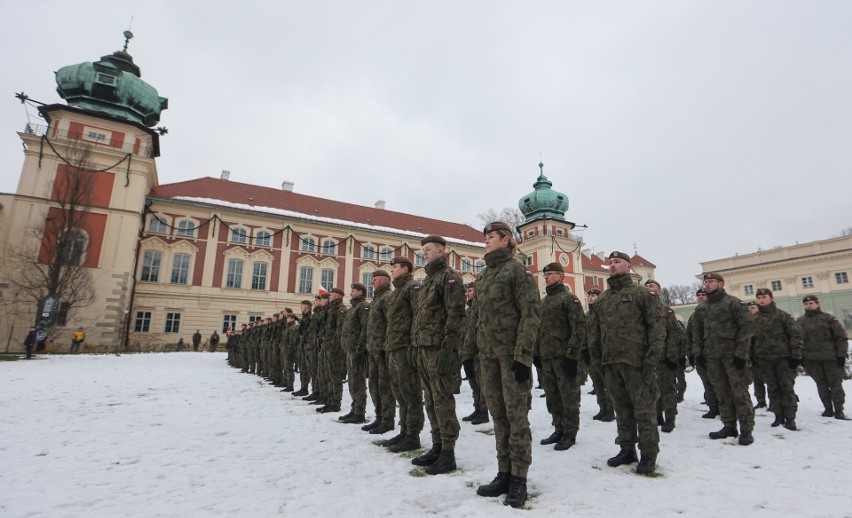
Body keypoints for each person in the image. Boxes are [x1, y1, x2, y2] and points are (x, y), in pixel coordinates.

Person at [467, 221, 541, 507]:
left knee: (516, 417)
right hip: (488, 357)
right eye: (485, 237)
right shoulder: (484, 277)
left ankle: (519, 479)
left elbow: (531, 313)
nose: (485, 241)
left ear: (505, 239)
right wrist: (468, 353)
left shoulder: (517, 272)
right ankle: (504, 472)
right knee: (498, 416)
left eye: (490, 237)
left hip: (512, 358)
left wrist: (523, 355)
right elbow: (476, 318)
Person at [588, 251, 665, 475]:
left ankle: (649, 454)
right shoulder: (603, 298)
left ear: (628, 266)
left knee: (644, 410)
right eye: (610, 262)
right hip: (611, 363)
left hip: (637, 362)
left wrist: (651, 360)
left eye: (617, 262)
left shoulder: (641, 294)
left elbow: (657, 328)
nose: (612, 265)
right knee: (621, 409)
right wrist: (596, 360)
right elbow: (594, 332)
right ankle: (627, 449)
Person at [411, 234, 465, 475]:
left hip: (439, 348)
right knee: (430, 400)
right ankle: (437, 445)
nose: (425, 253)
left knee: (442, 400)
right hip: (424, 347)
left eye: (429, 249)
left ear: (442, 251)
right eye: (423, 249)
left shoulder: (450, 278)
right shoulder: (428, 280)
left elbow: (455, 316)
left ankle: (448, 453)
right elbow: (421, 317)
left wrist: (447, 349)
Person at [692, 272, 755, 445]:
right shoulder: (702, 309)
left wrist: (741, 354)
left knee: (739, 394)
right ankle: (729, 426)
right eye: (706, 282)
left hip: (732, 357)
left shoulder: (733, 303)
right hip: (712, 358)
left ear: (721, 283)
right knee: (722, 393)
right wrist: (699, 354)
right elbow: (696, 334)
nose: (708, 284)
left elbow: (746, 329)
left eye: (711, 281)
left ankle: (746, 430)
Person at [535, 262, 585, 451]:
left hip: (564, 358)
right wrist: (536, 353)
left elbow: (579, 329)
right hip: (547, 358)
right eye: (545, 274)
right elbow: (539, 330)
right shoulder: (544, 301)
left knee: (568, 396)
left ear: (561, 276)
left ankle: (570, 433)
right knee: (553, 396)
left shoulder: (569, 299)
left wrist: (572, 356)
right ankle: (558, 428)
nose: (546, 277)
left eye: (550, 274)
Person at [383, 256, 425, 452]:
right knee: (399, 392)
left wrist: (414, 346)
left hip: (406, 348)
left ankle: (413, 435)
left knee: (411, 393)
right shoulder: (395, 292)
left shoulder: (413, 288)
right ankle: (404, 430)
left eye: (395, 267)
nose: (391, 270)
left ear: (406, 269)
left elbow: (419, 316)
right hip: (394, 347)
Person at [752, 288, 803, 430]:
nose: (761, 300)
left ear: (771, 298)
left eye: (764, 297)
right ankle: (778, 416)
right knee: (772, 388)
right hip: (764, 360)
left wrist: (796, 356)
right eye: (759, 298)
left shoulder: (783, 316)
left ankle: (790, 418)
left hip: (783, 359)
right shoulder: (754, 319)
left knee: (787, 389)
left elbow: (796, 336)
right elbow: (750, 340)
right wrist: (752, 357)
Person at [798, 295, 848, 420]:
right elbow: (797, 341)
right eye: (806, 304)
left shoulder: (829, 319)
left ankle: (839, 409)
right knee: (821, 385)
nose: (809, 305)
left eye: (811, 303)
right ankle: (828, 408)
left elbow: (841, 337)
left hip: (830, 358)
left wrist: (841, 355)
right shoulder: (800, 322)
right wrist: (800, 357)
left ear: (818, 304)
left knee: (835, 384)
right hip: (812, 360)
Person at [645, 279, 686, 433]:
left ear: (659, 291)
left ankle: (670, 418)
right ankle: (656, 416)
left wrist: (672, 356)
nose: (649, 288)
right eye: (647, 286)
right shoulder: (640, 309)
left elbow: (675, 334)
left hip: (663, 358)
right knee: (651, 389)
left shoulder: (665, 310)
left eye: (652, 286)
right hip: (648, 358)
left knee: (667, 389)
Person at [363, 270, 396, 435]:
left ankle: (388, 420)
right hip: (373, 350)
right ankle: (379, 416)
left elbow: (391, 323)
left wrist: (386, 346)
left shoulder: (388, 297)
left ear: (384, 280)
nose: (373, 282)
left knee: (385, 387)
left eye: (375, 280)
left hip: (382, 350)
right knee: (374, 385)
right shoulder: (376, 299)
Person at [339, 283, 370, 424]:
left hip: (356, 350)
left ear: (360, 292)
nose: (350, 293)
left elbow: (365, 328)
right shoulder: (354, 307)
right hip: (350, 349)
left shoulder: (363, 306)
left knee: (358, 382)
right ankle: (354, 409)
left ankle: (359, 412)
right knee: (352, 381)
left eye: (353, 291)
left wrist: (360, 349)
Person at [687, 288, 719, 418]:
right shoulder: (694, 315)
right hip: (700, 354)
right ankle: (713, 408)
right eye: (698, 295)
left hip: (715, 353)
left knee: (719, 383)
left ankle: (725, 408)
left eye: (703, 295)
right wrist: (690, 353)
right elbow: (689, 335)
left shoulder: (715, 312)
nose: (701, 297)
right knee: (707, 383)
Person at [460, 282, 489, 425]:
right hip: (469, 352)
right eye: (467, 291)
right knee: (473, 382)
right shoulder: (468, 311)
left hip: (479, 352)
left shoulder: (480, 309)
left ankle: (484, 411)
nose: (467, 293)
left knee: (481, 382)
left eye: (470, 290)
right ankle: (477, 408)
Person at [584, 288, 614, 422]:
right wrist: (584, 350)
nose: (590, 297)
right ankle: (602, 408)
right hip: (592, 354)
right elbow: (584, 334)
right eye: (589, 295)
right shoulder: (587, 315)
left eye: (594, 295)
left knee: (607, 383)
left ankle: (610, 410)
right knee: (597, 383)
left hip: (603, 353)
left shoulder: (604, 313)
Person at [318, 289, 346, 414]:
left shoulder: (340, 309)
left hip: (334, 349)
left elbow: (340, 330)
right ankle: (330, 401)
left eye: (331, 295)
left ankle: (335, 402)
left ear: (337, 296)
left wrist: (332, 345)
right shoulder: (331, 310)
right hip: (327, 346)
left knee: (335, 376)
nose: (329, 297)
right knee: (328, 375)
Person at [747, 301, 768, 410]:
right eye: (749, 308)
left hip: (765, 355)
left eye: (753, 308)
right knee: (757, 381)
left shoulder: (764, 320)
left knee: (770, 380)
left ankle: (774, 402)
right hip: (752, 356)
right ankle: (761, 401)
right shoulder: (746, 322)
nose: (751, 310)